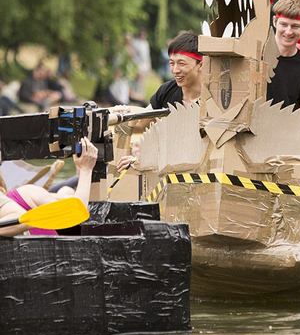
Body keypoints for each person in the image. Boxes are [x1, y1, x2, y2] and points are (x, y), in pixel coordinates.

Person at [116, 31, 202, 171]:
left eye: (181, 64)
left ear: (201, 65)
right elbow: (141, 125)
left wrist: (145, 159)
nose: (175, 70)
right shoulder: (167, 91)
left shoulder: (212, 99)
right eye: (171, 63)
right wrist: (123, 117)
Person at [0, 137, 98, 237]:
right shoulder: (27, 193)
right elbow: (76, 211)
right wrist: (86, 170)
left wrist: (85, 170)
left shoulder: (26, 194)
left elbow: (76, 210)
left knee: (66, 190)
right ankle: (65, 193)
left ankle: (65, 193)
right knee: (66, 191)